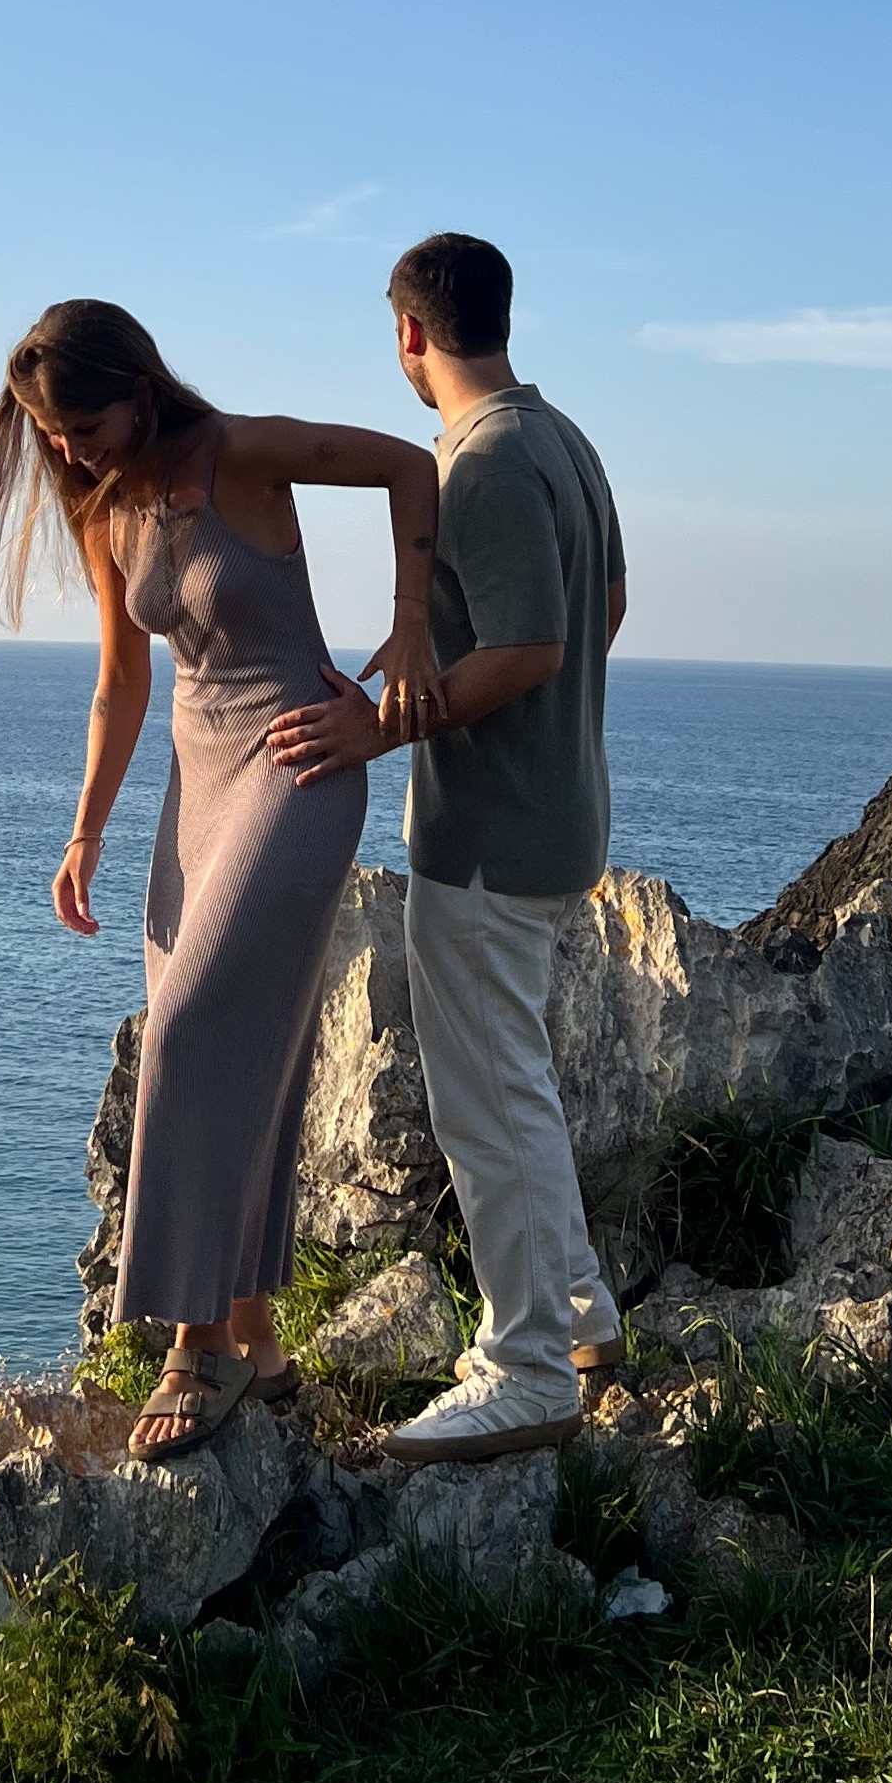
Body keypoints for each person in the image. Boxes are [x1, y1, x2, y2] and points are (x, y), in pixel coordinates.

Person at [0, 297, 444, 1460]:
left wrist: (409, 634)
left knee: (191, 1033)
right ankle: (258, 1345)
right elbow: (121, 683)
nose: (66, 449)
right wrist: (85, 832)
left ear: (137, 386)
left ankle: (192, 1347)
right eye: (49, 436)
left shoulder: (241, 453)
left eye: (81, 424)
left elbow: (411, 465)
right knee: (249, 1051)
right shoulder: (101, 506)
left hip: (298, 769)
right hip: (195, 797)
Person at [269, 230, 625, 1460]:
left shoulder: (479, 464)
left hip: (486, 835)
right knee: (514, 1078)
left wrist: (371, 733)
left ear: (412, 335)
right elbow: (602, 611)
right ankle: (580, 1314)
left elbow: (528, 647)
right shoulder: (562, 440)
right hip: (557, 809)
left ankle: (525, 1365)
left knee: (487, 1105)